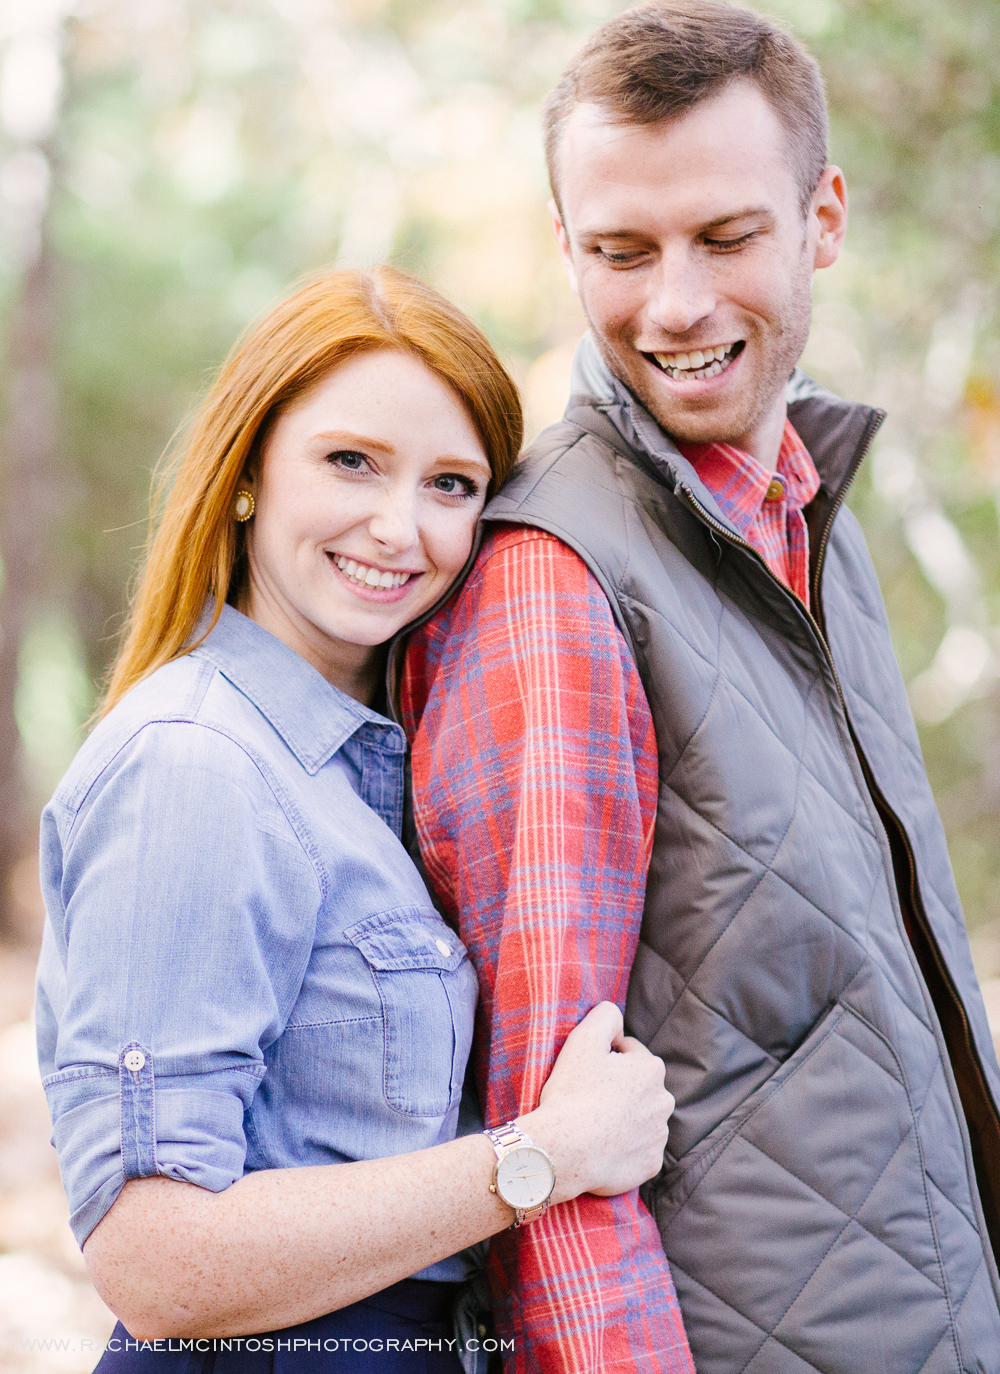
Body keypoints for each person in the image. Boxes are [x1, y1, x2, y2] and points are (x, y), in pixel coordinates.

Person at [402, 0, 1000, 1372]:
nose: (675, 305)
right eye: (621, 250)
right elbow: (543, 1157)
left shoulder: (805, 513)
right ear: (565, 250)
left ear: (823, 221)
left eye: (727, 237)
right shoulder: (554, 578)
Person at [34, 266, 680, 1374]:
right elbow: (154, 1263)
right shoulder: (196, 764)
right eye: (350, 463)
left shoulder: (370, 770)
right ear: (245, 475)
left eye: (450, 484)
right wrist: (541, 1158)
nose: (399, 528)